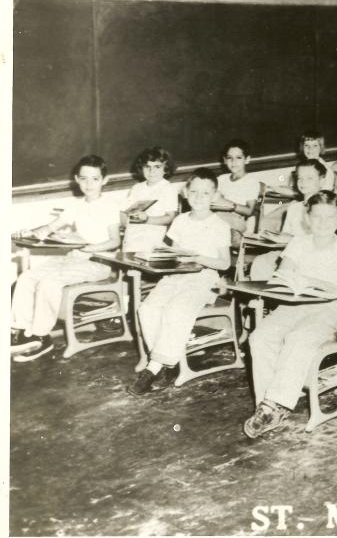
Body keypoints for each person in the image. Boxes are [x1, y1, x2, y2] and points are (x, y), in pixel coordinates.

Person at [244, 191, 337, 438]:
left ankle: (276, 404)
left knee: (298, 339)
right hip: (293, 304)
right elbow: (284, 273)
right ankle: (266, 405)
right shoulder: (299, 241)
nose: (323, 223)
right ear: (307, 218)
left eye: (329, 217)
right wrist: (297, 280)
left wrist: (336, 290)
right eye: (317, 216)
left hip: (326, 307)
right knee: (260, 336)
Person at [127, 169, 231, 393]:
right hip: (174, 275)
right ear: (185, 193)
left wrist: (196, 257)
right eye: (194, 192)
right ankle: (166, 364)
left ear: (214, 196)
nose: (199, 197)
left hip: (203, 278)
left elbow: (224, 264)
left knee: (176, 310)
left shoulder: (220, 225)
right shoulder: (180, 221)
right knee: (147, 308)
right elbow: (170, 251)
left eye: (205, 193)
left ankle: (153, 367)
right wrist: (158, 253)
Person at [11, 155, 122, 361]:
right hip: (75, 258)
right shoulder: (76, 205)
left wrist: (89, 248)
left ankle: (42, 337)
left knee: (49, 283)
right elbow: (50, 228)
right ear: (77, 180)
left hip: (99, 262)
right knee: (27, 277)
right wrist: (28, 232)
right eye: (84, 178)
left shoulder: (110, 206)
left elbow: (114, 241)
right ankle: (22, 331)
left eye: (95, 179)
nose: (89, 184)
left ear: (104, 181)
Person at [248, 159, 328, 281]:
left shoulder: (325, 208)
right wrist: (272, 236)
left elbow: (319, 242)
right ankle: (263, 298)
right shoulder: (294, 207)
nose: (303, 182)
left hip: (312, 256)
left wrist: (290, 239)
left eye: (309, 178)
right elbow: (286, 234)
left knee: (290, 269)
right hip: (289, 251)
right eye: (300, 178)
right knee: (261, 262)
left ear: (322, 181)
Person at [122, 146, 180, 253]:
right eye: (147, 166)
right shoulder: (136, 188)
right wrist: (125, 221)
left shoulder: (168, 188)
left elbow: (170, 217)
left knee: (141, 259)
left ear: (165, 168)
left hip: (152, 236)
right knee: (129, 262)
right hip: (131, 235)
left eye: (157, 167)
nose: (151, 171)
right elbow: (125, 213)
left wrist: (147, 220)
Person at [215, 139, 262, 247]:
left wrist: (227, 203)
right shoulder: (221, 179)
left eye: (238, 158)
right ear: (225, 160)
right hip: (221, 220)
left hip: (239, 224)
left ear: (247, 159)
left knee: (215, 221)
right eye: (229, 158)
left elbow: (249, 211)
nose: (233, 161)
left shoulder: (251, 181)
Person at [273, 132, 335, 197]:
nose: (310, 149)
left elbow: (322, 196)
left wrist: (278, 190)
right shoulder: (303, 166)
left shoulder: (326, 170)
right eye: (306, 145)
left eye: (315, 145)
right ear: (302, 147)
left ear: (321, 148)